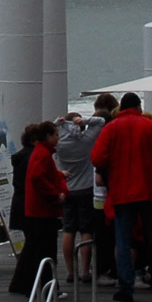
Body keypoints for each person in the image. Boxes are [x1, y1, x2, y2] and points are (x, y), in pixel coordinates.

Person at [90, 90, 152, 302]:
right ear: (138, 107)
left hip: (122, 192)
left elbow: (97, 157)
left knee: (124, 240)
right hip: (150, 190)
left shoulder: (111, 129)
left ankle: (125, 288)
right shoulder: (150, 126)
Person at [11, 121, 66, 294]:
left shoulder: (38, 154)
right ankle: (46, 286)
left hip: (32, 209)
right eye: (56, 135)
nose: (58, 138)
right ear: (48, 136)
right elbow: (37, 176)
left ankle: (27, 285)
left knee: (33, 248)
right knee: (45, 250)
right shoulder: (42, 154)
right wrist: (55, 194)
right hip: (42, 211)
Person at [56, 98, 104, 286]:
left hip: (66, 189)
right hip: (86, 189)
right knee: (86, 230)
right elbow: (100, 121)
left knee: (68, 229)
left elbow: (44, 133)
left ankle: (70, 271)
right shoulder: (86, 141)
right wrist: (83, 122)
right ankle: (85, 270)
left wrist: (58, 123)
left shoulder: (59, 144)